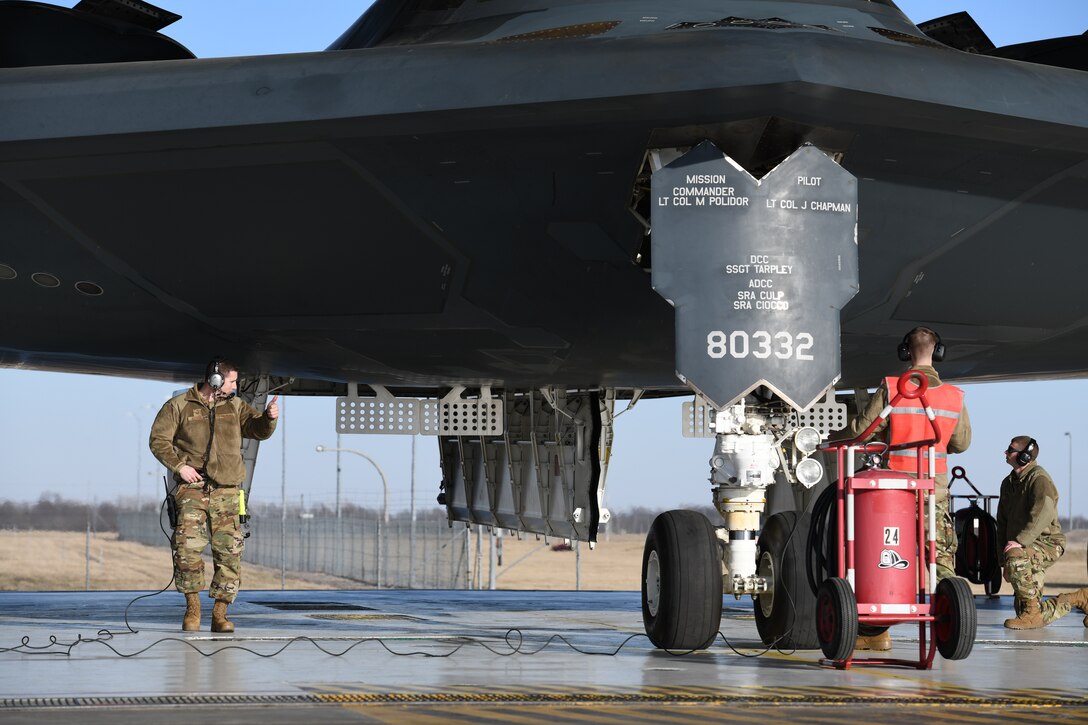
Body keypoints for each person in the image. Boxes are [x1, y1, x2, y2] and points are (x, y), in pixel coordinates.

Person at [846, 326, 970, 650]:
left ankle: (876, 633)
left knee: (885, 558)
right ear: (938, 352)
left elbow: (862, 431)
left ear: (906, 352)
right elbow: (962, 442)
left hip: (894, 493)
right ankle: (952, 623)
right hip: (934, 491)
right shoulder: (954, 396)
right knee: (940, 558)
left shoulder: (892, 387)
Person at [149, 358, 279, 633]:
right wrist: (180, 466)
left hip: (228, 491)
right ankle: (192, 609)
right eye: (232, 381)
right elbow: (158, 440)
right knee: (186, 550)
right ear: (216, 380)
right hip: (193, 490)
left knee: (229, 553)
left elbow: (256, 429)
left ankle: (220, 614)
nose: (236, 386)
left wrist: (269, 419)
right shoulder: (180, 406)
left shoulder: (235, 406)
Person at [996, 436, 1088, 629]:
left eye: (1010, 450)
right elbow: (1002, 523)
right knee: (1028, 613)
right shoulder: (1008, 483)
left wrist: (1019, 544)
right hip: (1023, 548)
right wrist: (1003, 561)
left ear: (1024, 457)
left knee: (1030, 614)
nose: (1006, 452)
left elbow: (1044, 512)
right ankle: (1079, 599)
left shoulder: (1039, 479)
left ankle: (1032, 614)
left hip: (1048, 543)